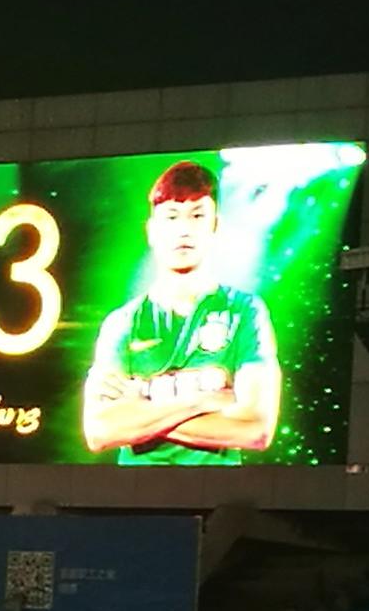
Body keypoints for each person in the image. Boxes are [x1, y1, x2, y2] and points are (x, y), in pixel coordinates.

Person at [83, 160, 280, 465]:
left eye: (197, 215)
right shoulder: (122, 323)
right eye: (172, 216)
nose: (184, 230)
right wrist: (205, 401)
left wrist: (141, 409)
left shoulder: (245, 311)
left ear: (215, 227)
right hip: (133, 490)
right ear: (152, 231)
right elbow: (100, 432)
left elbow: (256, 431)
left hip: (218, 489)